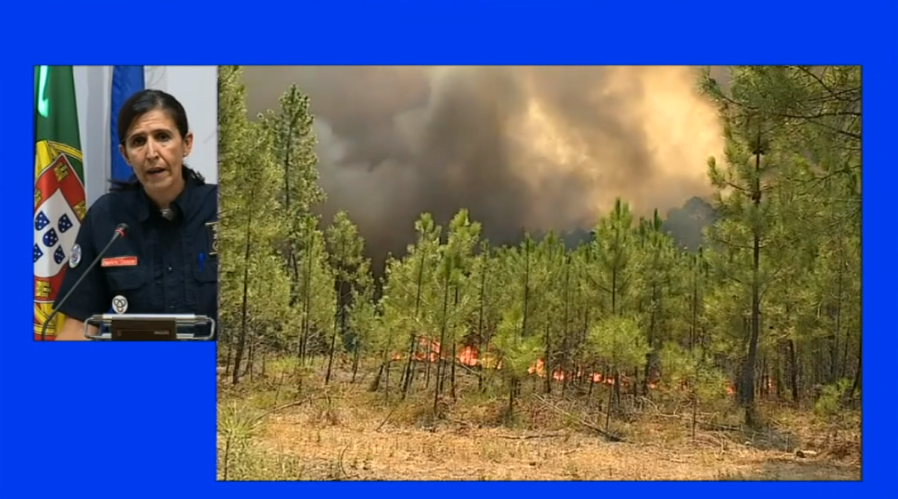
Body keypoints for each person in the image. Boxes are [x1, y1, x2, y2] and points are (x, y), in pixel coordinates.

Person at [50, 89, 218, 341]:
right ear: (125, 154)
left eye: (162, 137)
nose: (151, 153)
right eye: (138, 141)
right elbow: (78, 326)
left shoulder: (221, 209)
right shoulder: (107, 218)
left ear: (186, 144)